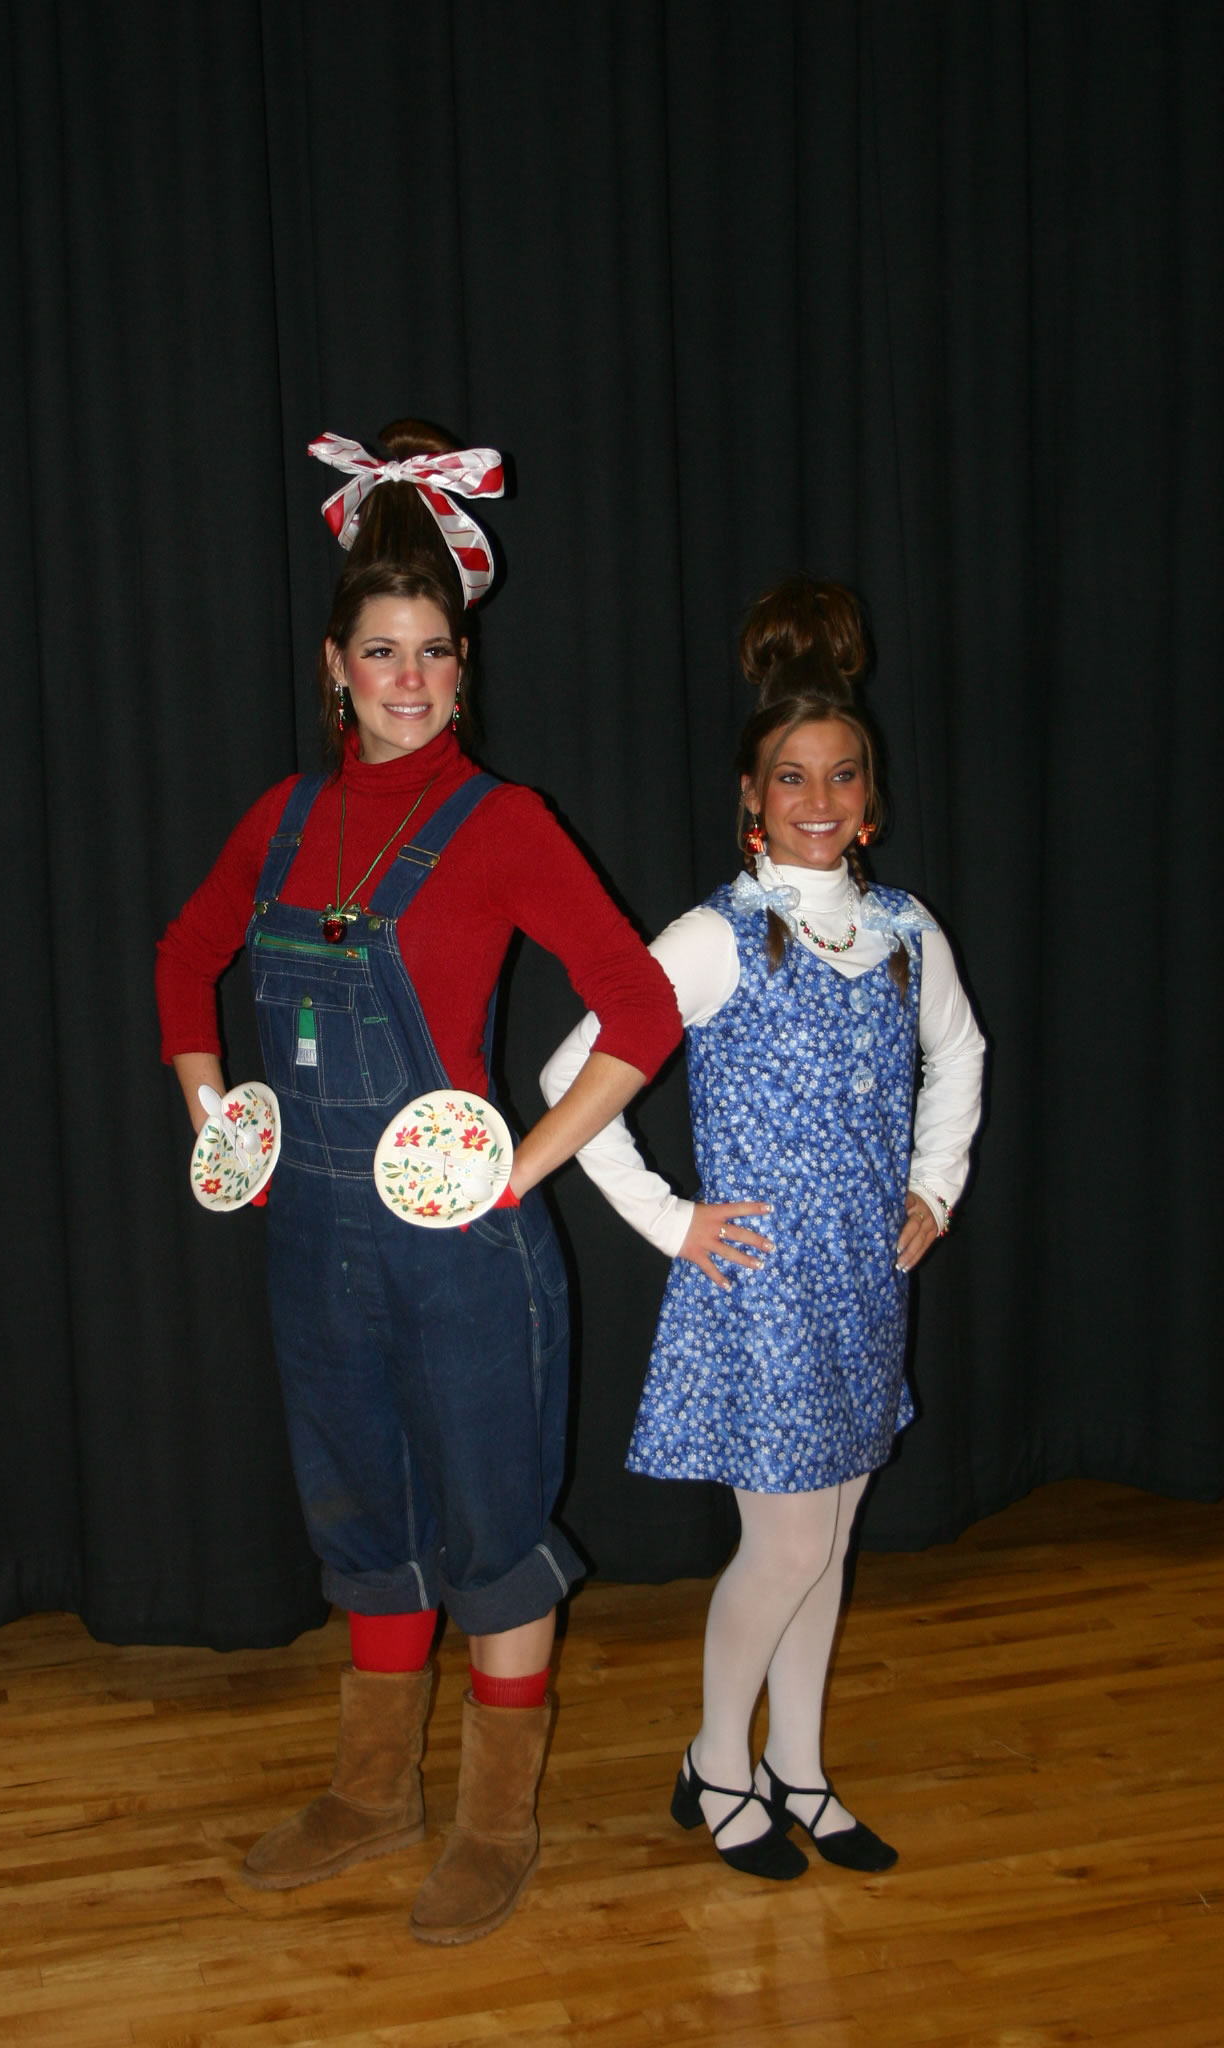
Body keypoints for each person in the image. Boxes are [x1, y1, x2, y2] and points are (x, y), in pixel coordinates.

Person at [155, 420, 681, 1942]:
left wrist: (523, 1165)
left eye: (433, 653)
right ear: (336, 666)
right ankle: (372, 1791)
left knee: (492, 1532)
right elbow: (185, 961)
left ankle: (494, 1821)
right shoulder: (284, 819)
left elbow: (641, 1009)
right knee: (358, 1517)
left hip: (461, 1257)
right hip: (311, 1236)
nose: (408, 679)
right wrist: (219, 1120)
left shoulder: (502, 825)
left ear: (464, 669)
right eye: (380, 651)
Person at [541, 576, 984, 1881]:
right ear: (752, 794)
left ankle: (799, 1764)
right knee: (785, 1541)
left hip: (865, 1284)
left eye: (841, 775)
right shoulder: (715, 938)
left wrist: (935, 1186)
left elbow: (960, 1055)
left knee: (831, 1539)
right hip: (762, 1290)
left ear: (870, 792)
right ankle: (717, 1763)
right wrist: (671, 1219)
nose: (818, 799)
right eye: (792, 777)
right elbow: (574, 1074)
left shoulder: (903, 932)